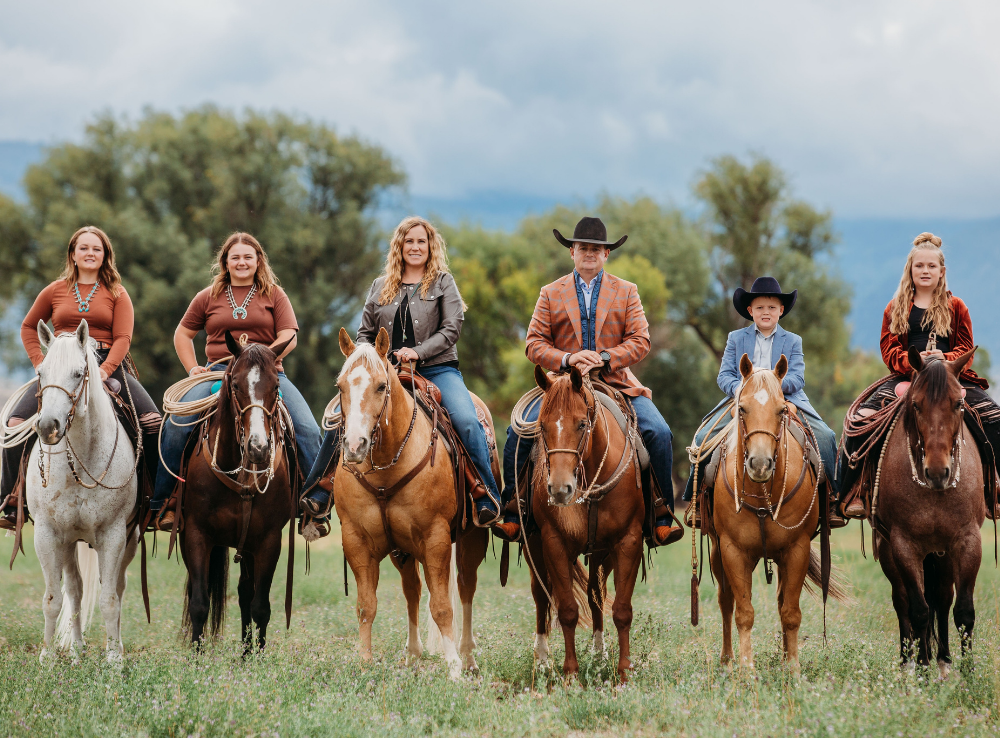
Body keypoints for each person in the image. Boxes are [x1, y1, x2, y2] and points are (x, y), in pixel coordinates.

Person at [300, 216, 502, 528]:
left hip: (438, 370)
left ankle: (486, 495)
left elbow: (451, 329)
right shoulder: (379, 287)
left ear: (430, 246)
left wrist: (417, 352)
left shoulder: (443, 282)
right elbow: (364, 334)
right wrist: (367, 359)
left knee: (467, 421)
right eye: (410, 241)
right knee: (337, 417)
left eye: (422, 241)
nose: (416, 247)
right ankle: (320, 491)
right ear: (400, 246)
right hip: (385, 373)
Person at [497, 215, 677, 544]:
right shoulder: (550, 293)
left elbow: (641, 340)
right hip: (562, 385)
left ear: (607, 254)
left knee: (659, 432)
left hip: (616, 382)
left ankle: (661, 512)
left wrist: (604, 357)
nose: (590, 253)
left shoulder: (627, 291)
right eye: (583, 248)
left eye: (596, 248)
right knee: (517, 433)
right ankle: (514, 507)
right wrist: (567, 359)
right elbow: (533, 343)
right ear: (572, 252)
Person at [148, 231, 321, 526]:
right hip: (218, 371)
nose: (241, 262)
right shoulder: (208, 296)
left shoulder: (274, 294)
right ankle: (165, 502)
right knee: (176, 425)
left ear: (258, 261)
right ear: (225, 262)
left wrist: (266, 356)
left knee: (307, 428)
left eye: (247, 257)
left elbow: (289, 335)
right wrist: (193, 369)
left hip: (266, 374)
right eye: (235, 257)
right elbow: (183, 334)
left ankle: (313, 504)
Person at [0, 225, 161, 525]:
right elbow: (27, 326)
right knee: (15, 423)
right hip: (61, 367)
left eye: (96, 249)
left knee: (152, 422)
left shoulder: (117, 292)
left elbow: (124, 338)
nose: (90, 253)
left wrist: (103, 371)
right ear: (73, 254)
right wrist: (40, 362)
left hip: (106, 362)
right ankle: (12, 499)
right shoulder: (55, 289)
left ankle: (154, 500)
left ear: (105, 256)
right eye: (84, 248)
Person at [840, 232, 1000, 516]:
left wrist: (944, 358)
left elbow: (966, 348)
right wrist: (913, 361)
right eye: (919, 266)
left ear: (942, 272)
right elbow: (889, 352)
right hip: (908, 379)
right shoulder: (895, 308)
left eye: (931, 266)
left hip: (952, 379)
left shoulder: (956, 306)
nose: (925, 271)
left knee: (995, 418)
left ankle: (993, 490)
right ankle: (853, 492)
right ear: (910, 270)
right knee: (860, 420)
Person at [683, 276, 839, 504]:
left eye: (772, 307)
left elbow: (797, 377)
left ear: (781, 310)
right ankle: (697, 497)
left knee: (826, 437)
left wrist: (772, 386)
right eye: (760, 308)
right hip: (743, 399)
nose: (766, 312)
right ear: (750, 310)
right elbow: (724, 376)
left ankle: (833, 497)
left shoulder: (793, 341)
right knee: (701, 438)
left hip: (784, 398)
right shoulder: (736, 338)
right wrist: (744, 389)